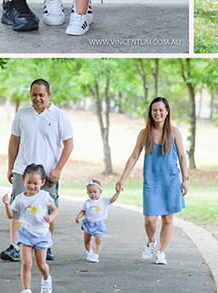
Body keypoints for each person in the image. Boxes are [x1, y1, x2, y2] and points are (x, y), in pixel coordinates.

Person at [1, 79, 74, 263]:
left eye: (41, 95)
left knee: (47, 210)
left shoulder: (59, 116)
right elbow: (14, 141)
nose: (38, 98)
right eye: (34, 94)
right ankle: (15, 247)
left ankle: (45, 245)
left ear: (49, 95)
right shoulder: (22, 114)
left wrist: (58, 169)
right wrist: (10, 167)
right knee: (19, 208)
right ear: (30, 94)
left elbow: (69, 144)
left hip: (48, 172)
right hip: (22, 171)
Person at [115, 97, 188, 266]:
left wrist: (185, 179)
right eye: (154, 110)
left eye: (161, 110)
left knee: (168, 219)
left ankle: (162, 252)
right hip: (152, 182)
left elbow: (182, 156)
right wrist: (122, 179)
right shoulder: (144, 133)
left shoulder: (175, 132)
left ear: (167, 112)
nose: (158, 113)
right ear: (150, 113)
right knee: (150, 219)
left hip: (171, 182)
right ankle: (150, 241)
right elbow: (134, 157)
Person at [3, 164, 57, 293]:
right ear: (23, 180)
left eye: (35, 183)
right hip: (25, 234)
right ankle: (26, 291)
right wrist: (7, 205)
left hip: (41, 234)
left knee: (41, 265)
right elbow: (11, 215)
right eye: (29, 183)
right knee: (26, 264)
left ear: (42, 182)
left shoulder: (45, 196)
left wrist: (50, 218)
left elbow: (54, 210)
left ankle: (46, 279)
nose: (32, 186)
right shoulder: (20, 198)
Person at [74, 179, 119, 262]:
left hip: (98, 225)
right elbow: (83, 211)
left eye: (95, 192)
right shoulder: (87, 202)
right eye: (90, 192)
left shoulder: (104, 201)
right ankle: (89, 251)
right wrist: (78, 216)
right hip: (88, 223)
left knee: (99, 239)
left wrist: (117, 192)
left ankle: (95, 255)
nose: (93, 194)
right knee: (87, 240)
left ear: (100, 191)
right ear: (87, 193)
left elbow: (113, 199)